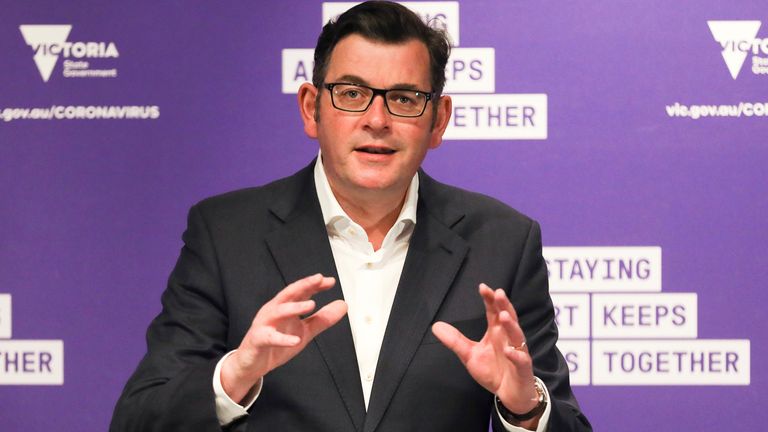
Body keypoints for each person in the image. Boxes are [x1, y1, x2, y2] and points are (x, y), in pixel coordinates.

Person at [111, 2, 591, 431]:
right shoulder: (225, 234)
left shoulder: (503, 242)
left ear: (438, 121)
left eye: (404, 98)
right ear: (311, 108)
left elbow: (564, 422)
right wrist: (236, 374)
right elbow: (138, 419)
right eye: (352, 93)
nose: (377, 120)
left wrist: (525, 410)